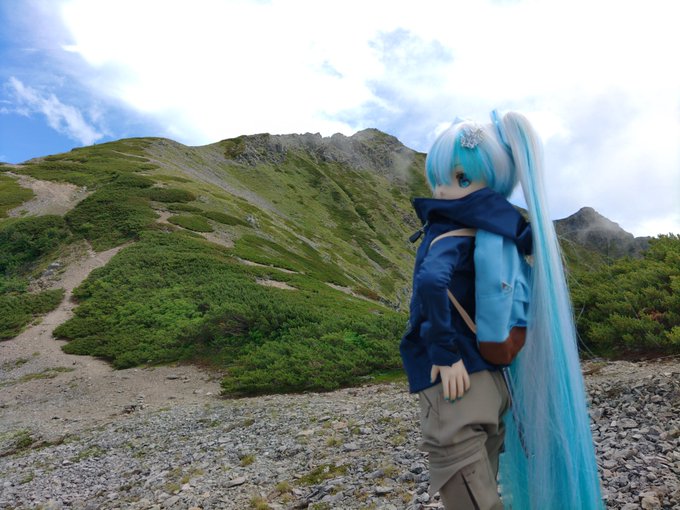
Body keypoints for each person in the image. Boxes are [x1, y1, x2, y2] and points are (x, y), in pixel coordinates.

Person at [400, 111, 603, 509]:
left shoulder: (449, 232)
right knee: (486, 488)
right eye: (438, 179)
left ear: (489, 181)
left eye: (459, 179)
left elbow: (431, 282)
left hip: (456, 385)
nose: (441, 190)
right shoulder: (501, 232)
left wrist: (443, 352)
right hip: (495, 380)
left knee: (472, 496)